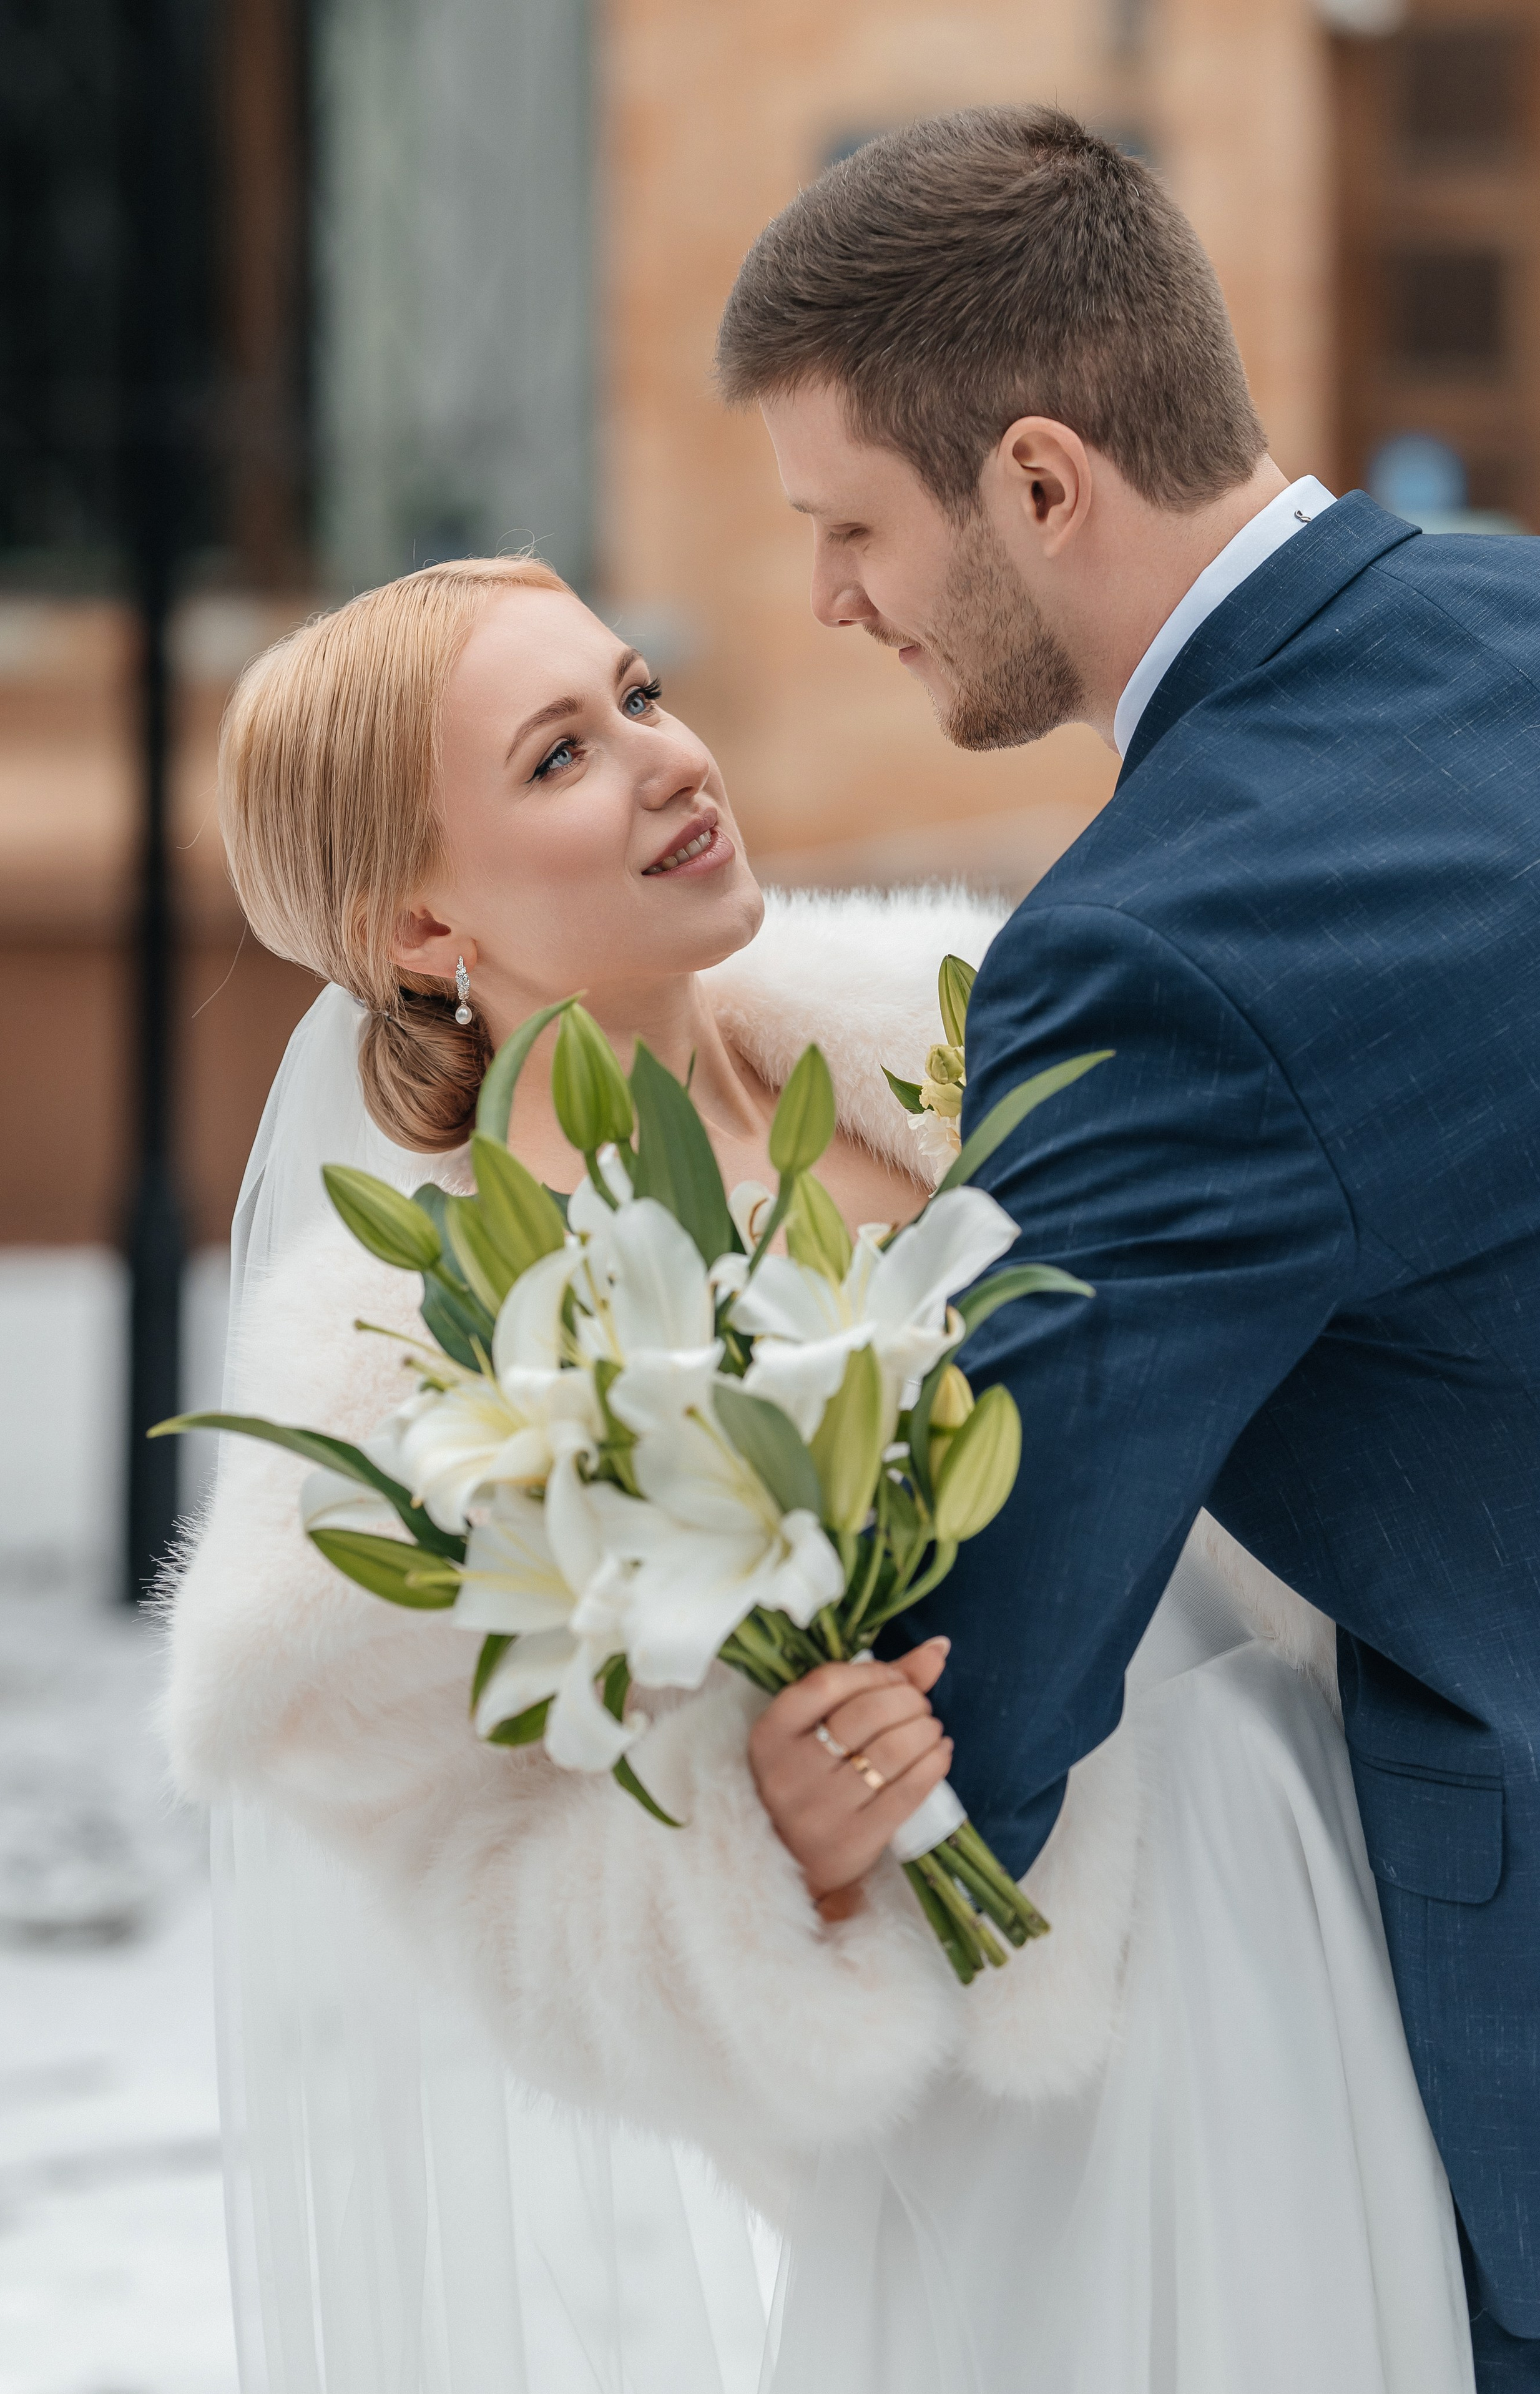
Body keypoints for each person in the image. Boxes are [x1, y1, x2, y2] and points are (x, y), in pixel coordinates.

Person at [169, 554, 1471, 2390]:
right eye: (558, 756)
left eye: (636, 692)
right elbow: (487, 1888)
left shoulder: (972, 1022)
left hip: (1317, 1874)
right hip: (1034, 2069)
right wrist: (772, 1850)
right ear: (416, 932)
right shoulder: (427, 1359)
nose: (664, 758)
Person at [717, 102, 1540, 2390]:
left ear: (1045, 482)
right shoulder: (1517, 612)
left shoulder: (1163, 955)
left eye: (854, 525)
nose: (829, 606)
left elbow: (997, 1675)